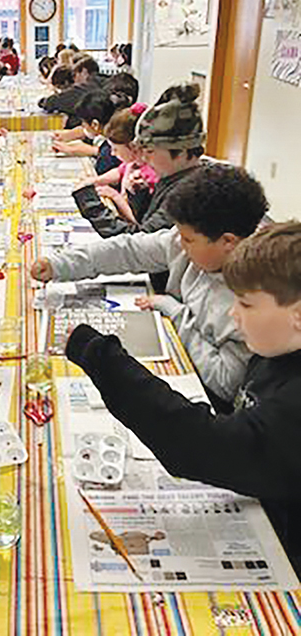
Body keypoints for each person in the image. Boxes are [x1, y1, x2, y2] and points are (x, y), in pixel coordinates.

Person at [65, 220, 301, 579]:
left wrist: (101, 356)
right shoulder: (277, 351)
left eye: (246, 304)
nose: (233, 314)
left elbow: (202, 445)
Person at [31, 164, 269, 408]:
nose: (179, 242)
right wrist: (59, 265)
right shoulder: (187, 240)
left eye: (188, 239)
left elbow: (225, 383)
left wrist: (174, 310)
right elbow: (129, 250)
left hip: (203, 399)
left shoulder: (254, 299)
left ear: (228, 242)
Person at [73, 83, 206, 238]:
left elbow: (140, 241)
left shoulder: (187, 194)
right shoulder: (172, 177)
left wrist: (89, 204)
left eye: (149, 151)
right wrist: (140, 196)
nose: (144, 158)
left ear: (181, 151)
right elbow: (146, 222)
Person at [75, 104, 158, 226]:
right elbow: (120, 171)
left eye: (116, 149)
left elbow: (139, 221)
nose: (112, 153)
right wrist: (97, 180)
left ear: (134, 147)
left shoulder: (148, 177)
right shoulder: (134, 163)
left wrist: (115, 196)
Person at [39, 56, 104, 128]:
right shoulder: (102, 83)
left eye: (75, 74)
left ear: (84, 72)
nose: (74, 78)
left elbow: (50, 102)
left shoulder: (82, 89)